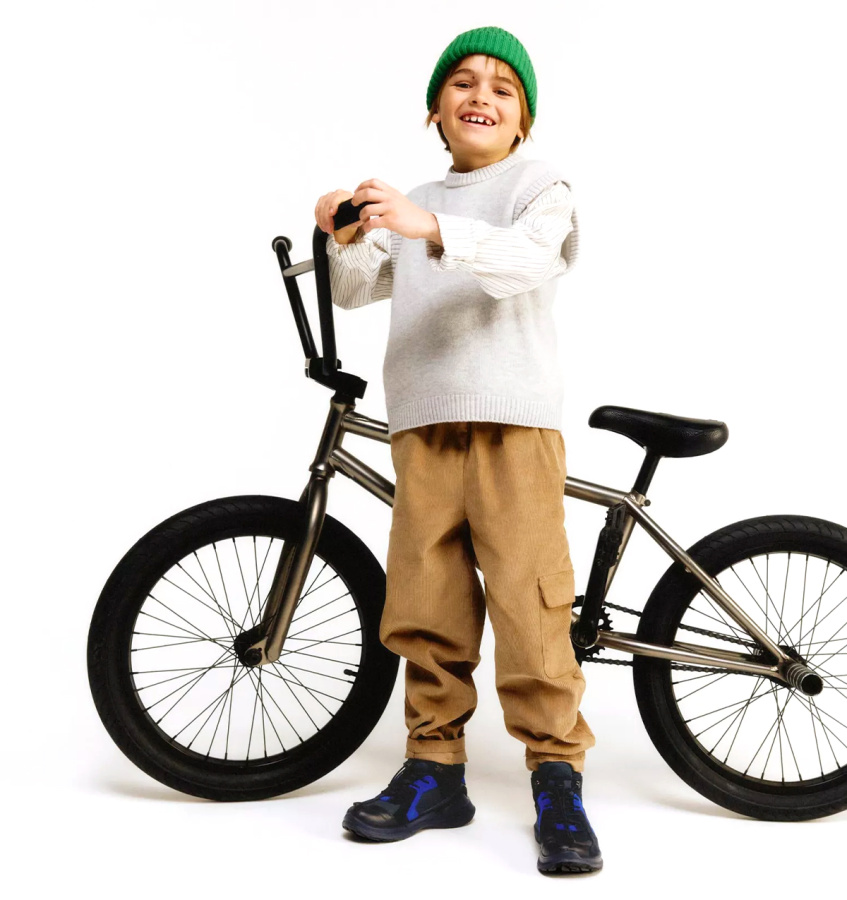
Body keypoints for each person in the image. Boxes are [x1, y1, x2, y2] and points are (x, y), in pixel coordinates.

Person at [313, 25, 602, 875]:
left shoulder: (538, 186)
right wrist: (343, 232)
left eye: (502, 88)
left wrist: (428, 224)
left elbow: (525, 263)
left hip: (513, 419)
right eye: (462, 83)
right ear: (435, 110)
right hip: (424, 418)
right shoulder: (414, 199)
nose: (481, 96)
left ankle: (556, 772)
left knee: (528, 600)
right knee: (426, 597)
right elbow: (356, 289)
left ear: (523, 118)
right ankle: (434, 767)